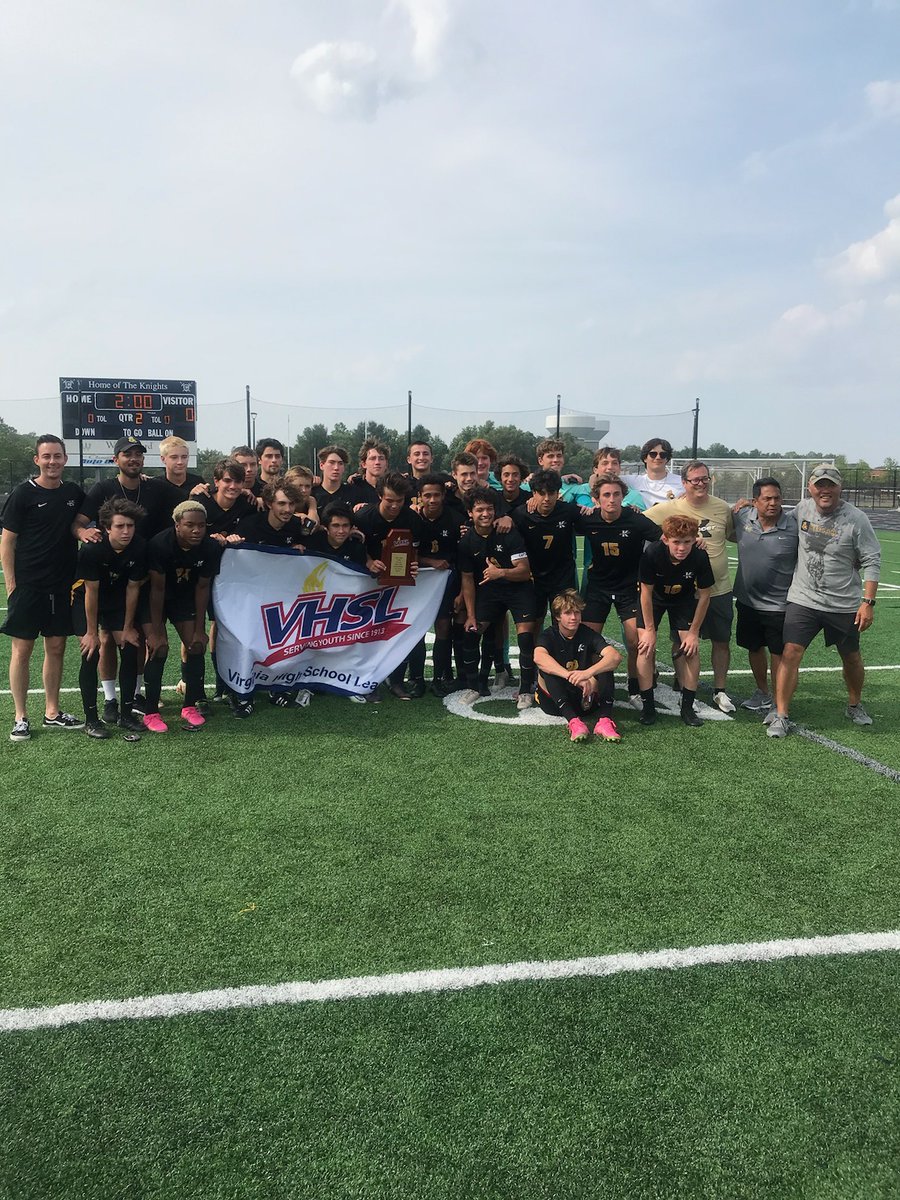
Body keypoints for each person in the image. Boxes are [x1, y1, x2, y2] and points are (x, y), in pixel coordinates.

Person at [766, 464, 881, 739]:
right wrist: (746, 505)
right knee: (790, 652)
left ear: (840, 488)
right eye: (820, 485)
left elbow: (872, 560)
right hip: (803, 598)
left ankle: (854, 705)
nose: (825, 490)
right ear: (811, 488)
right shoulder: (801, 510)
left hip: (843, 603)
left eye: (830, 485)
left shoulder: (857, 519)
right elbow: (772, 515)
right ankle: (781, 714)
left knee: (851, 657)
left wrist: (868, 602)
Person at [1, 434, 86, 740]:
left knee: (56, 647)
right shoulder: (23, 493)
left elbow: (87, 519)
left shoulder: (74, 493)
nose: (52, 462)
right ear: (37, 460)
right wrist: (12, 585)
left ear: (65, 459)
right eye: (46, 456)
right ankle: (21, 715)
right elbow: (7, 542)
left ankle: (52, 711)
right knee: (22, 650)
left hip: (61, 586)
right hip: (29, 585)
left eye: (57, 456)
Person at [646, 461, 736, 712]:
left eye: (705, 479)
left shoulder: (721, 508)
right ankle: (683, 683)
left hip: (718, 588)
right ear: (684, 482)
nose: (700, 483)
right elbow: (640, 523)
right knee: (681, 641)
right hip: (685, 591)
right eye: (695, 479)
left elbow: (732, 535)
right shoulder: (670, 508)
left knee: (721, 640)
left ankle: (720, 691)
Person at [577, 473, 663, 707]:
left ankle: (635, 688)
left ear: (623, 497)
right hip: (598, 587)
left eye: (616, 494)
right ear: (597, 499)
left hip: (629, 588)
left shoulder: (635, 519)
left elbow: (664, 538)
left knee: (635, 641)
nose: (612, 499)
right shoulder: (588, 518)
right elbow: (559, 515)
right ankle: (595, 686)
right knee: (589, 640)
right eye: (606, 495)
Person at [141, 501, 222, 732]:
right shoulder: (160, 544)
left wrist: (199, 629)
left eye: (201, 525)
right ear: (177, 525)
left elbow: (202, 587)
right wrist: (155, 632)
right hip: (155, 599)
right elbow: (156, 590)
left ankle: (189, 706)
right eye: (189, 525)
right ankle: (151, 712)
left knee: (196, 645)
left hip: (184, 598)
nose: (196, 530)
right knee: (160, 647)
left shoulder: (210, 547)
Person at [71, 498, 147, 738]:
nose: (126, 531)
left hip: (117, 600)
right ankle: (92, 721)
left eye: (130, 526)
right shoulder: (93, 549)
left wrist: (126, 628)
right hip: (86, 600)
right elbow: (91, 593)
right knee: (91, 651)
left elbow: (133, 589)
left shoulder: (140, 547)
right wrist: (92, 633)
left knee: (129, 646)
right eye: (120, 526)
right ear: (106, 527)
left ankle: (126, 715)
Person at [457, 487, 536, 709]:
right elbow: (467, 580)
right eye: (479, 509)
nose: (485, 514)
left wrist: (500, 572)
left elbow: (523, 571)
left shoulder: (507, 532)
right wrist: (471, 615)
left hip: (518, 589)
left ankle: (525, 690)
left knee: (525, 637)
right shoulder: (466, 542)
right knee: (472, 631)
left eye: (489, 509)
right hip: (490, 592)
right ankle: (474, 687)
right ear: (470, 513)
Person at [636, 515, 713, 728]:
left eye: (687, 541)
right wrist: (650, 630)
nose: (682, 547)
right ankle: (648, 706)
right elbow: (645, 593)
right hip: (655, 600)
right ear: (666, 539)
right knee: (644, 647)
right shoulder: (652, 552)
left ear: (694, 539)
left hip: (683, 600)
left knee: (691, 649)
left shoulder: (699, 556)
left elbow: (705, 595)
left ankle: (687, 707)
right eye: (676, 542)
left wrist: (694, 632)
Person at [352, 472, 423, 699]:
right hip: (366, 584)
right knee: (368, 632)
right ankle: (368, 682)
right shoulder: (363, 517)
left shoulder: (411, 519)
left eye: (399, 501)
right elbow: (350, 548)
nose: (394, 505)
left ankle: (397, 681)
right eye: (389, 500)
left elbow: (416, 549)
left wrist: (414, 563)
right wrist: (368, 561)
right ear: (379, 496)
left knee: (398, 630)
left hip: (398, 585)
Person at [732, 478, 798, 713]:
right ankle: (762, 692)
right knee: (754, 647)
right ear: (754, 501)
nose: (773, 503)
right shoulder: (742, 517)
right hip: (747, 600)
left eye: (777, 498)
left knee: (779, 652)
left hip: (780, 604)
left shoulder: (794, 525)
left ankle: (780, 700)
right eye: (767, 498)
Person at [533, 590, 622, 743]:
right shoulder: (549, 635)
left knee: (605, 664)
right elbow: (538, 657)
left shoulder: (587, 633)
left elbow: (615, 656)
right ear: (558, 617)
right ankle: (573, 722)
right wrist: (571, 676)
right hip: (554, 703)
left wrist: (587, 673)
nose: (574, 617)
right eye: (568, 613)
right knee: (547, 668)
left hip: (584, 699)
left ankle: (604, 720)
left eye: (577, 612)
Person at [510, 468, 580, 626]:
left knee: (565, 622)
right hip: (534, 579)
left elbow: (592, 517)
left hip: (562, 577)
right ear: (533, 493)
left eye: (551, 493)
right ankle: (536, 652)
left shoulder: (568, 511)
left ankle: (563, 651)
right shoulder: (521, 514)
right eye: (541, 493)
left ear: (558, 493)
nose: (547, 498)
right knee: (534, 623)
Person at [414, 474, 461, 697]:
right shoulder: (412, 520)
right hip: (417, 584)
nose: (432, 500)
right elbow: (407, 554)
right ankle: (416, 677)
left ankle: (440, 676)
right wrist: (430, 562)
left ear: (443, 496)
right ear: (420, 497)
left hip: (446, 584)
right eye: (427, 495)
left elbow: (462, 557)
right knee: (418, 630)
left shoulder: (455, 520)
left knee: (444, 627)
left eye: (436, 495)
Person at [236, 480, 311, 548]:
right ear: (269, 504)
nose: (288, 509)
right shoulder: (250, 526)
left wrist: (297, 547)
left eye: (291, 504)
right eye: (281, 503)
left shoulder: (298, 526)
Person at [199, 459, 255, 543]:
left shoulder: (248, 505)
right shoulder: (201, 503)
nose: (232, 486)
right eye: (227, 481)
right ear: (216, 481)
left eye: (238, 481)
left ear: (243, 483)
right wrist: (210, 539)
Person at [621, 438, 685, 509]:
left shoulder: (682, 482)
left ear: (667, 458)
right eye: (653, 454)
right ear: (645, 458)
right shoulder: (632, 481)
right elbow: (609, 478)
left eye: (662, 454)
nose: (658, 457)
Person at [345, 439, 390, 509]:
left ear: (386, 464)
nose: (377, 462)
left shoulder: (393, 487)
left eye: (381, 458)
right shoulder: (353, 488)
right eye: (373, 458)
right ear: (364, 464)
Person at [158, 436, 205, 501]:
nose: (180, 462)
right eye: (174, 457)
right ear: (163, 459)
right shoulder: (156, 485)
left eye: (184, 457)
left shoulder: (198, 482)